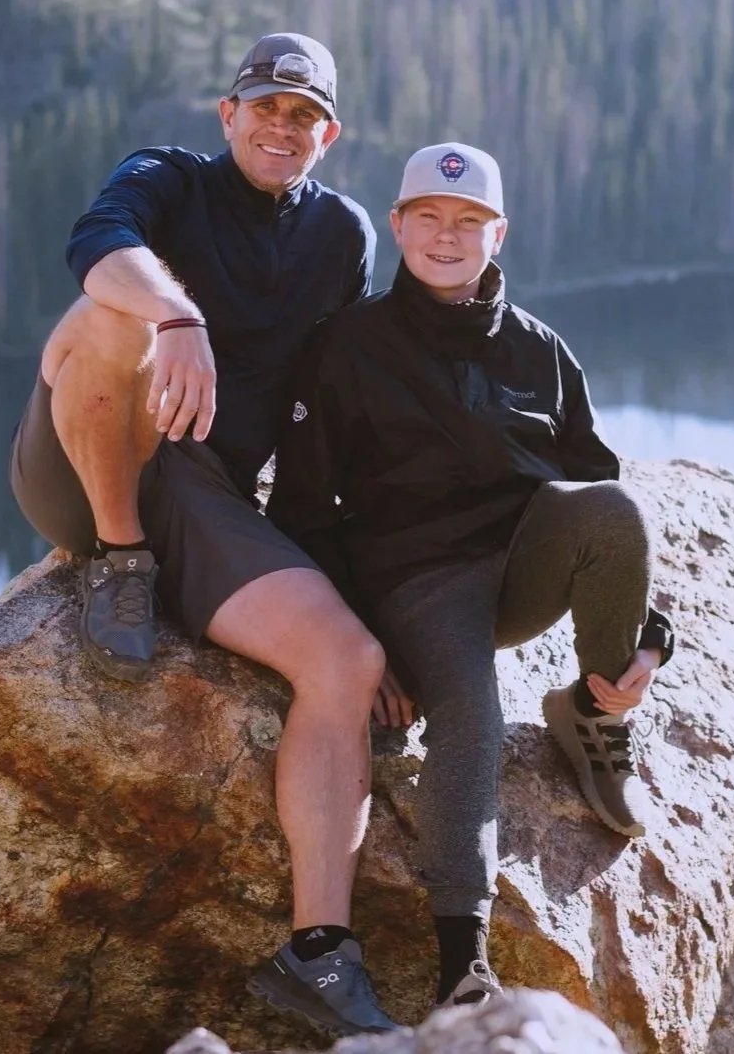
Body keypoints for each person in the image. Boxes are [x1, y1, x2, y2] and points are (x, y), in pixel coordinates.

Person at [7, 34, 400, 1035]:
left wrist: (359, 592)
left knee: (346, 660)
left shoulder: (340, 235)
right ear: (228, 115)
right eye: (265, 106)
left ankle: (318, 954)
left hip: (209, 493)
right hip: (89, 456)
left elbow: (326, 408)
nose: (282, 126)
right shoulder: (166, 179)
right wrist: (179, 317)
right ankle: (119, 558)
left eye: (304, 115)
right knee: (114, 314)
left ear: (327, 136)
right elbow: (96, 243)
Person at [268, 142, 676, 1010]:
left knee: (612, 511)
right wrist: (364, 642)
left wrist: (648, 637)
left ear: (499, 234)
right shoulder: (347, 347)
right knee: (471, 717)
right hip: (418, 578)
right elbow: (302, 508)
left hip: (520, 564)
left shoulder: (539, 350)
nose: (446, 236)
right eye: (428, 217)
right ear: (397, 225)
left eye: (467, 221)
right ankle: (464, 964)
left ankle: (595, 711)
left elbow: (597, 488)